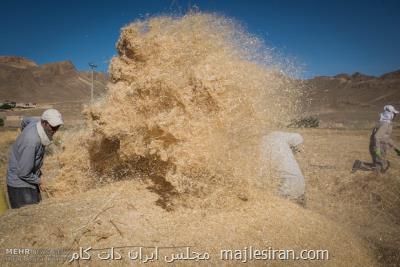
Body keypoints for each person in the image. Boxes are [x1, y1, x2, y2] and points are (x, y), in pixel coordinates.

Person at [6, 109, 63, 209]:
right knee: (28, 219)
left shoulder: (35, 121)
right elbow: (23, 173)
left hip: (30, 179)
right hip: (20, 186)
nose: (55, 130)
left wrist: (24, 131)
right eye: (53, 127)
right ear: (44, 123)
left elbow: (25, 121)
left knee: (38, 211)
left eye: (57, 126)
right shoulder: (31, 142)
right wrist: (40, 181)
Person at [352, 105, 400, 174]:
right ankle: (359, 165)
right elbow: (376, 137)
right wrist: (377, 150)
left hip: (378, 146)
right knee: (381, 168)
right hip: (378, 147)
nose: (395, 116)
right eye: (394, 114)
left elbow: (386, 138)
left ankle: (359, 164)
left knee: (381, 167)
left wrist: (396, 150)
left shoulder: (382, 123)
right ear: (389, 114)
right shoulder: (385, 124)